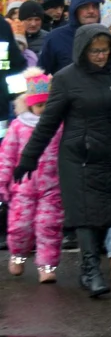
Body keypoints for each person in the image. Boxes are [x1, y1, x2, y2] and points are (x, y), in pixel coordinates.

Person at [15, 22, 111, 297]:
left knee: (107, 215)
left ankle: (94, 264)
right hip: (79, 156)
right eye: (95, 51)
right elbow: (48, 122)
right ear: (83, 50)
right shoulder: (66, 78)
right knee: (85, 214)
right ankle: (90, 270)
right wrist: (28, 158)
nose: (100, 56)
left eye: (105, 50)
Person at [0, 68, 62, 284]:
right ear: (29, 104)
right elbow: (7, 156)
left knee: (49, 226)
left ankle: (47, 266)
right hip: (23, 187)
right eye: (39, 105)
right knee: (20, 226)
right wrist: (2, 181)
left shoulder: (59, 126)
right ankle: (17, 255)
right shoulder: (18, 126)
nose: (43, 110)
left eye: (47, 105)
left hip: (52, 187)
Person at [36, 0, 103, 74]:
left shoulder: (106, 36)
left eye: (95, 6)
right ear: (75, 10)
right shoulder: (55, 38)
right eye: (85, 6)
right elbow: (41, 75)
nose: (91, 11)